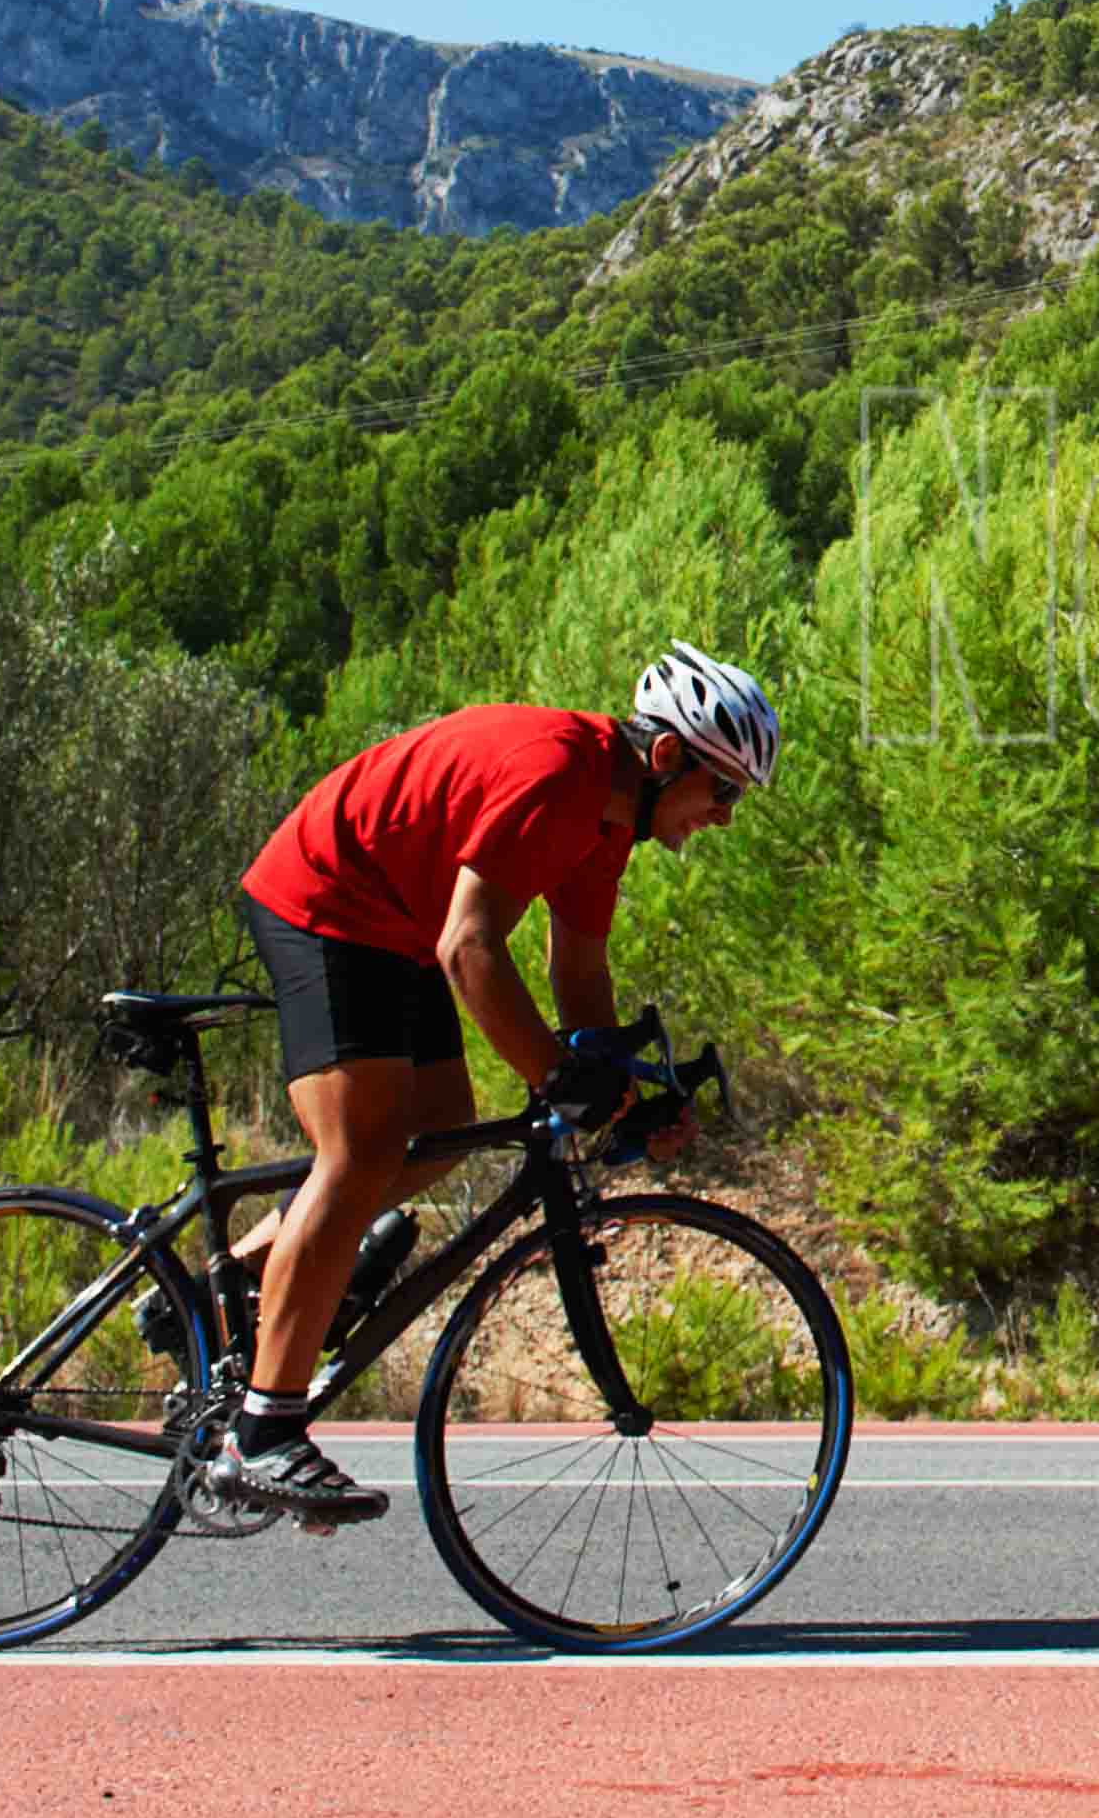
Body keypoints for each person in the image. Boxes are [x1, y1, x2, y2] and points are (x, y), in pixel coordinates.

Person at [201, 643, 782, 1526]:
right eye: (726, 791)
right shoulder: (562, 779)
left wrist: (622, 1094)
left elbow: (578, 972)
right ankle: (261, 1432)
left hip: (394, 917)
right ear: (668, 758)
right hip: (327, 892)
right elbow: (469, 948)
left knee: (441, 1122)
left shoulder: (609, 823)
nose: (726, 817)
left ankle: (241, 1280)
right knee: (358, 1152)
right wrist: (557, 1074)